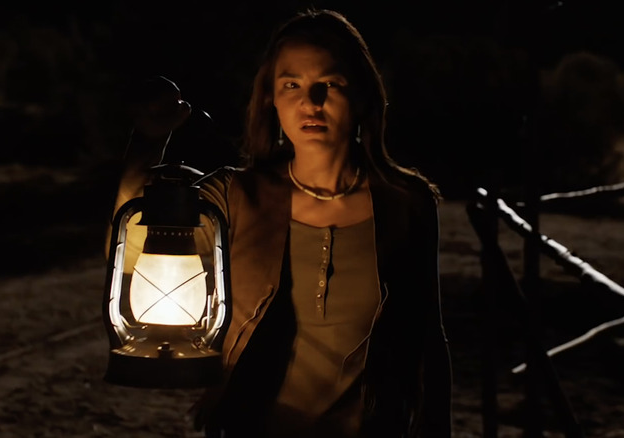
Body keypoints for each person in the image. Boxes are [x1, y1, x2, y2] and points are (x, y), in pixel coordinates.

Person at [110, 8, 452, 437]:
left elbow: (427, 338)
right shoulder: (237, 197)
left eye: (330, 84)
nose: (311, 102)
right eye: (292, 85)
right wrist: (147, 145)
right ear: (271, 97)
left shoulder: (406, 202)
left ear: (362, 94)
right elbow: (128, 250)